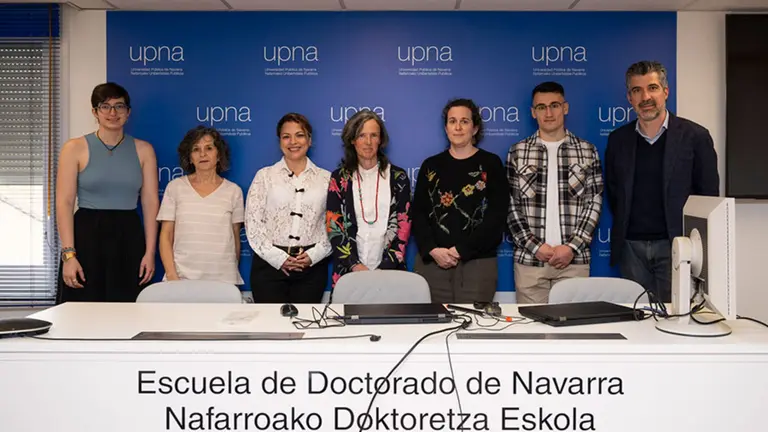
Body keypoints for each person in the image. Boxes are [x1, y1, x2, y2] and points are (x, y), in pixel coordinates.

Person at [605, 60, 719, 303]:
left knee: (675, 317)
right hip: (631, 249)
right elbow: (614, 193)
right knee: (636, 319)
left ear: (666, 92)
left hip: (676, 245)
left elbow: (708, 197)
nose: (645, 96)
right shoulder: (618, 140)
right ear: (629, 98)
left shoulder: (695, 137)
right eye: (637, 90)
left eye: (652, 88)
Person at [55, 82, 158, 303]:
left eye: (119, 106)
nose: (113, 113)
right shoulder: (74, 148)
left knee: (128, 312)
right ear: (95, 112)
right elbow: (64, 202)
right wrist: (69, 255)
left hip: (128, 238)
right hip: (86, 237)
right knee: (81, 312)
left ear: (128, 112)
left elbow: (150, 203)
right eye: (105, 106)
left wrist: (150, 253)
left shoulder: (144, 150)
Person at [506, 82, 604, 304]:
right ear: (533, 112)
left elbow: (594, 203)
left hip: (574, 262)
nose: (548, 113)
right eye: (541, 107)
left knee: (572, 334)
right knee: (530, 333)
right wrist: (534, 246)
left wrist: (571, 247)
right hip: (530, 262)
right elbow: (511, 206)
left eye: (554, 105)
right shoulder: (517, 152)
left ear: (565, 108)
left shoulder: (587, 151)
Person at [412, 98, 509, 303]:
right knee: (432, 328)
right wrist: (433, 250)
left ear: (474, 128)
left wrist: (460, 250)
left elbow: (496, 216)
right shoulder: (431, 165)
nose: (457, 127)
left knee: (474, 326)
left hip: (477, 265)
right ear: (446, 128)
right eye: (452, 121)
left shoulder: (491, 164)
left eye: (464, 121)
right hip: (433, 264)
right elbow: (419, 213)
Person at [245, 113, 332, 303]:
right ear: (279, 142)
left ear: (309, 140)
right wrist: (278, 258)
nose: (293, 141)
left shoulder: (326, 179)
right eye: (286, 136)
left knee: (307, 326)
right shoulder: (264, 176)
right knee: (270, 328)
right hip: (268, 267)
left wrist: (313, 255)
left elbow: (335, 225)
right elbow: (253, 224)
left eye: (299, 135)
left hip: (311, 268)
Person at [326, 109, 412, 288]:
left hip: (390, 273)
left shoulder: (398, 177)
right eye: (361, 135)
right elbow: (334, 227)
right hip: (349, 273)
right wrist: (355, 266)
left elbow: (404, 226)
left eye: (374, 135)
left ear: (381, 140)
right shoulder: (339, 178)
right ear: (352, 140)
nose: (368, 142)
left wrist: (384, 269)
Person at [156, 126, 244, 285]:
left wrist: (230, 275)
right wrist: (172, 277)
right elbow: (166, 236)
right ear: (189, 157)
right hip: (181, 280)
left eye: (209, 148)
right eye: (196, 149)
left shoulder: (234, 191)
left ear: (219, 155)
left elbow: (235, 239)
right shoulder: (175, 188)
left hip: (223, 281)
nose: (203, 154)